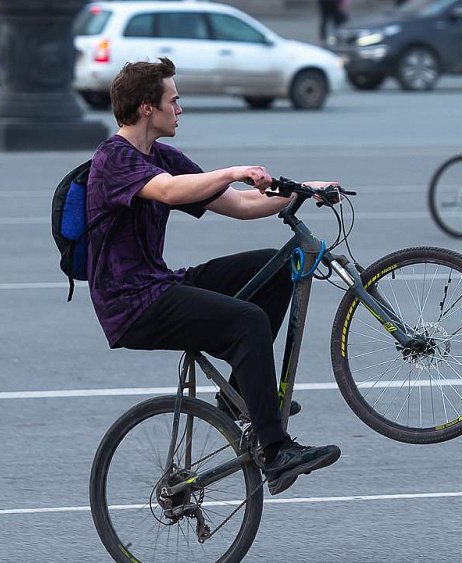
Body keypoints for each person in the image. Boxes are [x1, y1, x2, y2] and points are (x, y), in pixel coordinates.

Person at [85, 57, 341, 495]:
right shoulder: (113, 159)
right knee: (247, 320)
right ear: (147, 107)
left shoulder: (161, 156)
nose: (179, 109)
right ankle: (276, 453)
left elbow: (239, 204)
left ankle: (239, 396)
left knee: (274, 265)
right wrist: (233, 170)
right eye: (173, 100)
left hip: (159, 284)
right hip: (131, 304)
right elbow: (168, 190)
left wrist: (305, 189)